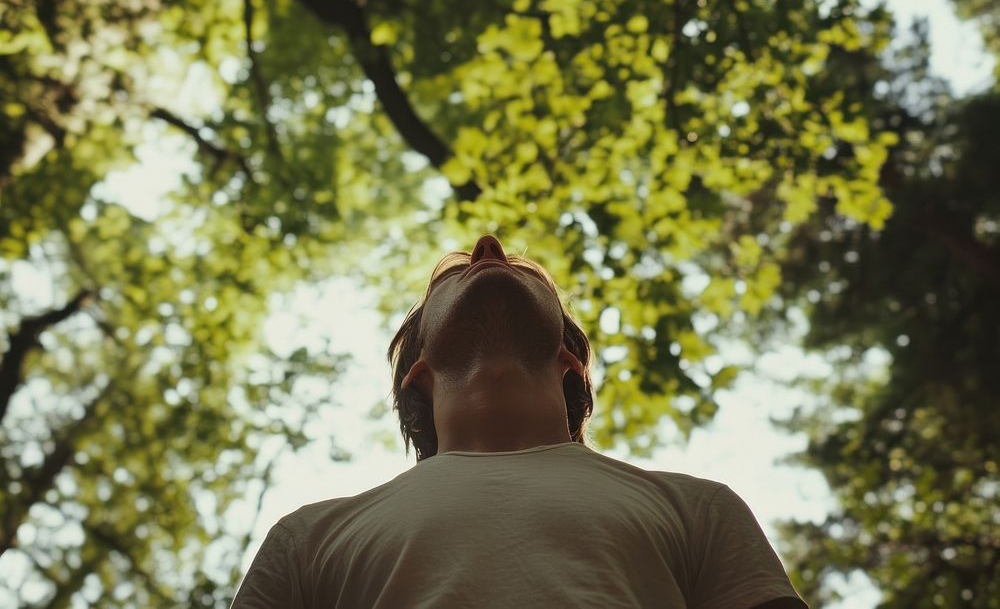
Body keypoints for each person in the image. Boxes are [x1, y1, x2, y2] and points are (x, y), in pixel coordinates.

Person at [231, 234, 808, 608]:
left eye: (514, 265)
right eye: (452, 276)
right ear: (420, 372)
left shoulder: (699, 510)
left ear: (568, 361)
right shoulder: (306, 542)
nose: (488, 246)